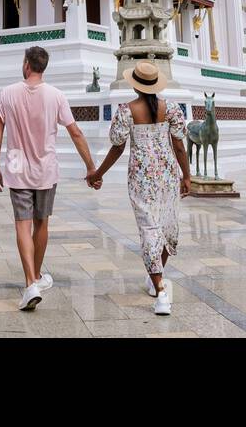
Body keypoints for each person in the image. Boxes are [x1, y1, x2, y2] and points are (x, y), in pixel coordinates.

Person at [0, 45, 97, 311]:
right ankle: (33, 279)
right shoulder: (57, 96)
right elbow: (75, 133)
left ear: (27, 64)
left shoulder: (7, 93)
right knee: (42, 224)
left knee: (22, 225)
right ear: (43, 67)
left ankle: (31, 282)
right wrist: (91, 167)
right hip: (46, 169)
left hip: (16, 167)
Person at [87, 60, 191, 316]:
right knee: (166, 227)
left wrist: (97, 173)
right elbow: (179, 146)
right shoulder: (172, 109)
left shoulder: (126, 111)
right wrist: (186, 175)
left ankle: (161, 291)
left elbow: (118, 147)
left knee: (150, 230)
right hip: (166, 174)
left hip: (141, 178)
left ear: (135, 86)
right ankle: (157, 280)